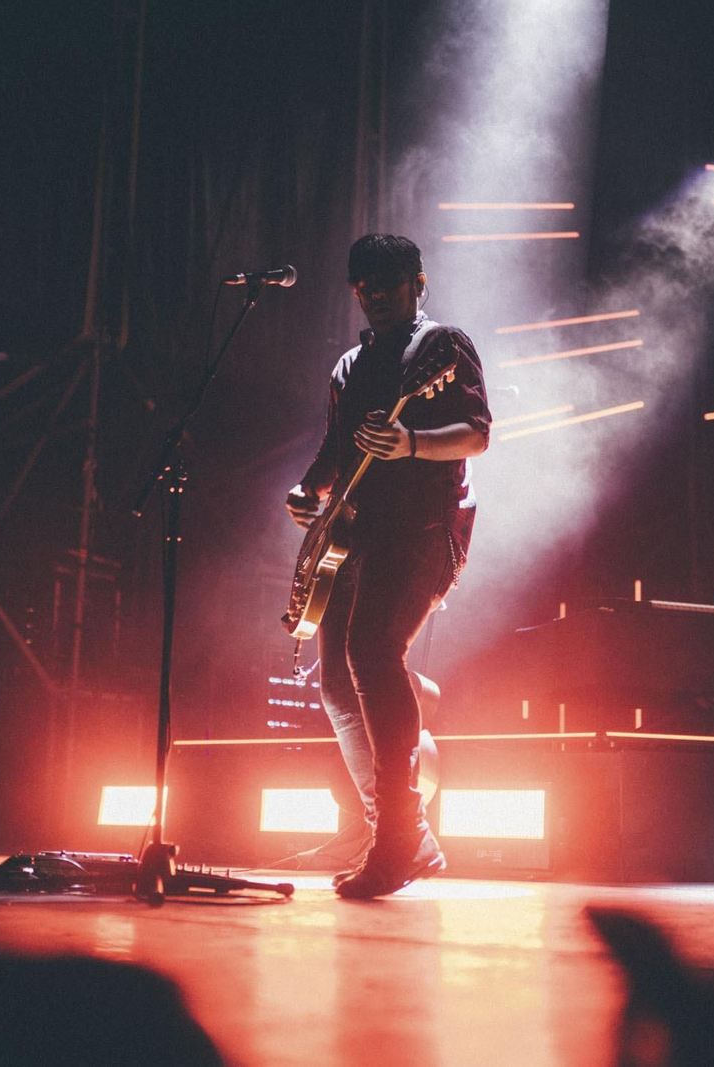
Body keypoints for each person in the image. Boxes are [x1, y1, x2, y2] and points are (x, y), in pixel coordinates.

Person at [285, 234, 490, 898]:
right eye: (366, 288)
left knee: (371, 650)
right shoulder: (348, 365)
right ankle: (410, 834)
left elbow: (478, 432)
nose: (376, 298)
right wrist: (308, 488)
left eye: (390, 287)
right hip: (352, 533)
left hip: (423, 531)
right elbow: (334, 449)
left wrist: (411, 444)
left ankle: (397, 834)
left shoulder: (442, 348)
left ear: (418, 284)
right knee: (336, 682)